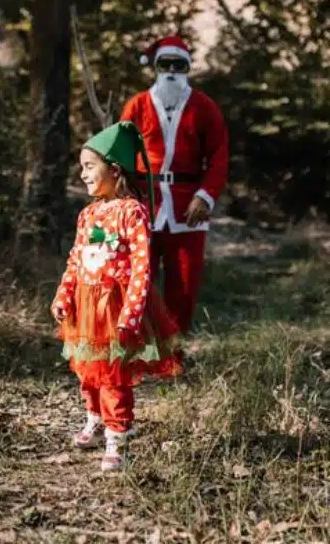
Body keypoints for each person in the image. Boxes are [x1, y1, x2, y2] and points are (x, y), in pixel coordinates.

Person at [51, 121, 184, 472]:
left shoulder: (132, 212)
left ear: (114, 169)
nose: (82, 174)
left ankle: (117, 434)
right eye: (81, 167)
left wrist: (132, 311)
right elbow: (77, 259)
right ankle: (94, 418)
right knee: (86, 368)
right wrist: (64, 293)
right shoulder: (88, 214)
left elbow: (142, 266)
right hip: (85, 304)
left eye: (89, 166)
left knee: (113, 373)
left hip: (115, 306)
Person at [120, 35, 229, 335]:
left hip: (187, 205)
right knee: (138, 277)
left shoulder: (203, 107)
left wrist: (205, 197)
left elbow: (218, 157)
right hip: (144, 204)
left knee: (184, 281)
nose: (170, 71)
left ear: (187, 68)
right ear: (155, 68)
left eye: (178, 65)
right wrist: (124, 197)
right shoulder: (137, 106)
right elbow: (121, 154)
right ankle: (139, 344)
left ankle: (172, 347)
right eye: (164, 64)